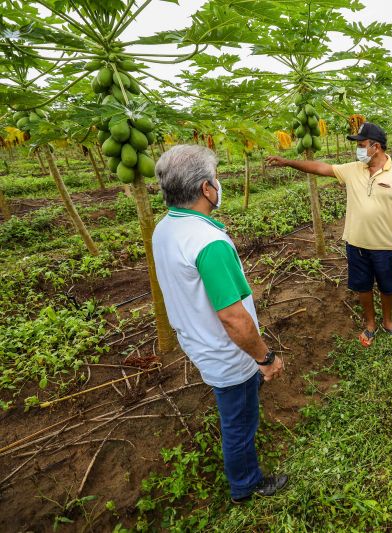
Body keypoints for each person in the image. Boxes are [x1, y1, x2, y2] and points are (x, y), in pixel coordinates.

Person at [151, 145, 287, 503]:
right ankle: (246, 485)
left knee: (238, 410)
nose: (218, 184)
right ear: (205, 189)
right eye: (215, 178)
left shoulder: (165, 228)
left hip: (198, 342)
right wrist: (265, 358)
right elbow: (233, 318)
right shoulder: (208, 242)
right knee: (238, 424)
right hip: (228, 354)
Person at [267, 122, 392, 347]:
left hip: (384, 246)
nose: (358, 150)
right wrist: (288, 162)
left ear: (375, 147)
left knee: (387, 287)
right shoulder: (353, 169)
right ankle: (370, 324)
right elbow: (320, 168)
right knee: (363, 287)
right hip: (355, 244)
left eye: (362, 145)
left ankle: (387, 322)